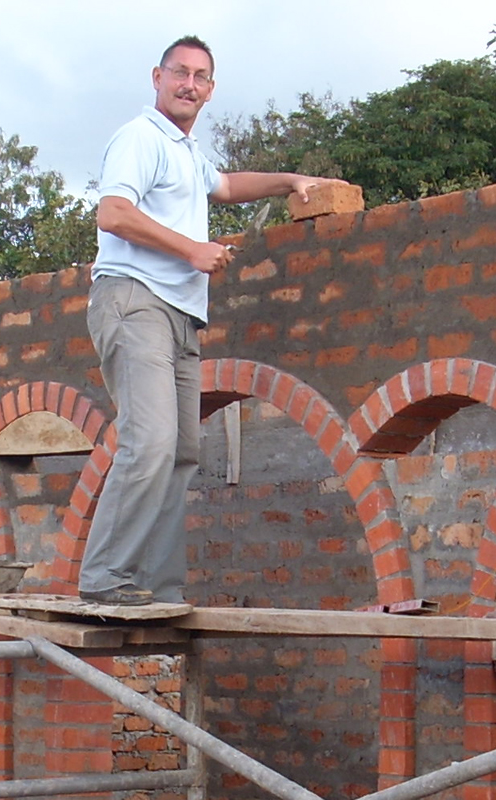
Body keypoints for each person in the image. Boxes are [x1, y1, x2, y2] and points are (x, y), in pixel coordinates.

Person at [80, 36, 344, 605]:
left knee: (180, 453)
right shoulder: (141, 137)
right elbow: (113, 212)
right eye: (180, 73)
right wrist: (191, 250)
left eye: (200, 77)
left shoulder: (188, 152)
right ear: (157, 76)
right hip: (135, 301)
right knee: (149, 442)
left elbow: (225, 186)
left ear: (211, 89)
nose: (189, 85)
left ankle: (155, 585)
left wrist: (293, 180)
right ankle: (105, 577)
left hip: (179, 316)